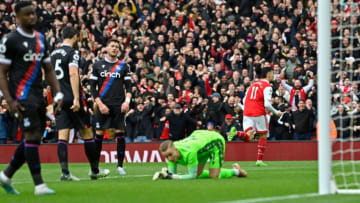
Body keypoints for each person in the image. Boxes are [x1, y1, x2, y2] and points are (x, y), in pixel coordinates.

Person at [0, 1, 62, 195]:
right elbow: (2, 72)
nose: (32, 17)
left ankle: (6, 175)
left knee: (34, 137)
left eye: (33, 13)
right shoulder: (10, 40)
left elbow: (49, 69)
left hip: (38, 95)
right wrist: (9, 100)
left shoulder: (41, 39)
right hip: (21, 96)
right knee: (31, 136)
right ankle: (39, 185)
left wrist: (57, 92)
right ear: (17, 18)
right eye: (27, 14)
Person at [50, 26, 109, 180]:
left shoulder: (53, 53)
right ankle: (95, 171)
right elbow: (73, 73)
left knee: (62, 135)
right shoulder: (72, 53)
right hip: (71, 97)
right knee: (87, 133)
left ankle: (65, 173)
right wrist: (76, 98)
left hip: (58, 98)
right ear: (75, 36)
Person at [90, 39, 132, 175]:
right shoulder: (97, 65)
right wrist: (100, 104)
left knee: (120, 133)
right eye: (112, 46)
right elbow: (92, 88)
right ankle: (95, 167)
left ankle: (120, 166)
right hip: (103, 105)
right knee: (99, 134)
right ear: (106, 48)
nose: (114, 48)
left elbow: (129, 87)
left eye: (117, 47)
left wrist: (127, 102)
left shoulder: (124, 66)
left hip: (119, 105)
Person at [228, 67, 282, 167]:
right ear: (269, 74)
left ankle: (236, 132)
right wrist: (276, 112)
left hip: (247, 112)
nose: (273, 76)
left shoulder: (252, 85)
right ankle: (259, 161)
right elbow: (266, 104)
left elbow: (244, 100)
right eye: (272, 73)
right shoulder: (267, 86)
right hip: (258, 112)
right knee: (263, 135)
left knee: (249, 137)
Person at [153, 130, 247, 180]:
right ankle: (236, 171)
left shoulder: (189, 153)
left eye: (170, 155)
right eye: (166, 156)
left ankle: (235, 171)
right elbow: (172, 174)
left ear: (176, 150)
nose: (169, 158)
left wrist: (172, 177)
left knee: (214, 176)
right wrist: (167, 175)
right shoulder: (172, 149)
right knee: (198, 174)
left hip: (215, 142)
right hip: (200, 142)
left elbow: (191, 176)